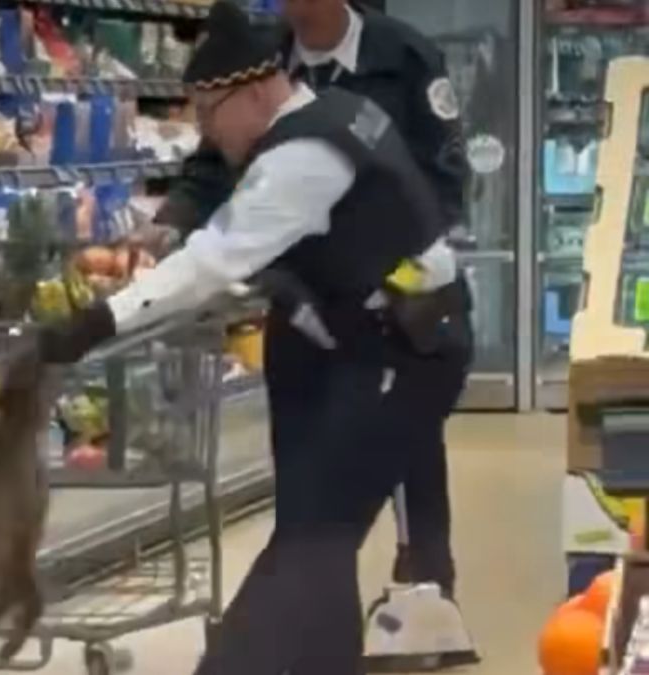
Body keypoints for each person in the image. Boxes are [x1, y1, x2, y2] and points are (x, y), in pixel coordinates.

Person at [28, 2, 473, 672]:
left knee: (314, 538)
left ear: (258, 89)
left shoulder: (304, 157)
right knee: (315, 535)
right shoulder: (328, 116)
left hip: (404, 351)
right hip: (351, 336)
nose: (209, 131)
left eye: (209, 112)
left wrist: (97, 321)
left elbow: (214, 258)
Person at [145, 0, 471, 602]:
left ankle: (427, 580)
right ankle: (316, 602)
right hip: (297, 295)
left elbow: (446, 171)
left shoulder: (402, 56)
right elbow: (214, 159)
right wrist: (176, 221)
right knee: (298, 443)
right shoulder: (262, 57)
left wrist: (413, 268)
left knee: (409, 443)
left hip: (387, 301)